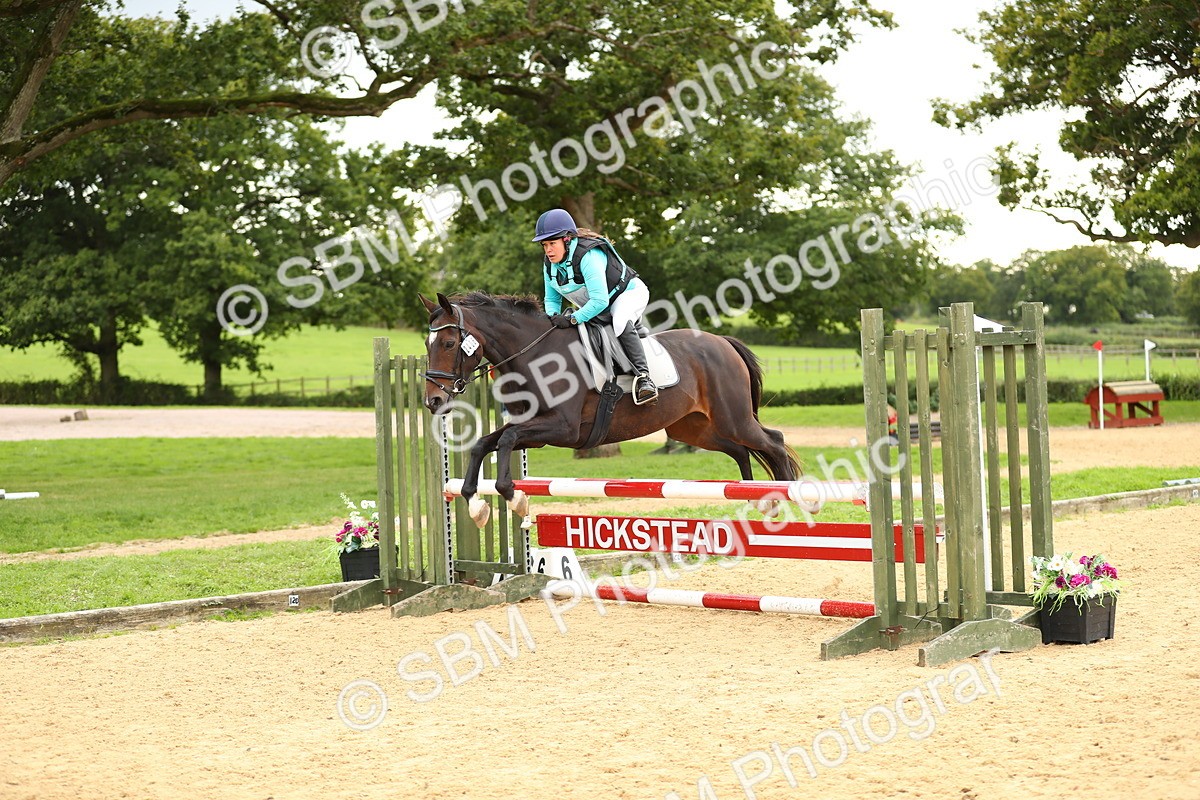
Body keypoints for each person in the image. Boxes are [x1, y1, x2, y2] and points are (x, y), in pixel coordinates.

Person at [532, 207, 658, 405]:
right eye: (544, 245)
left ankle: (644, 379)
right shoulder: (550, 264)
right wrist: (553, 318)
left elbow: (600, 301)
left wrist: (572, 319)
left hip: (628, 294)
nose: (548, 250)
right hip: (598, 306)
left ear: (566, 239)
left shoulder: (588, 256)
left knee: (619, 320)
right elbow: (552, 300)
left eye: (552, 243)